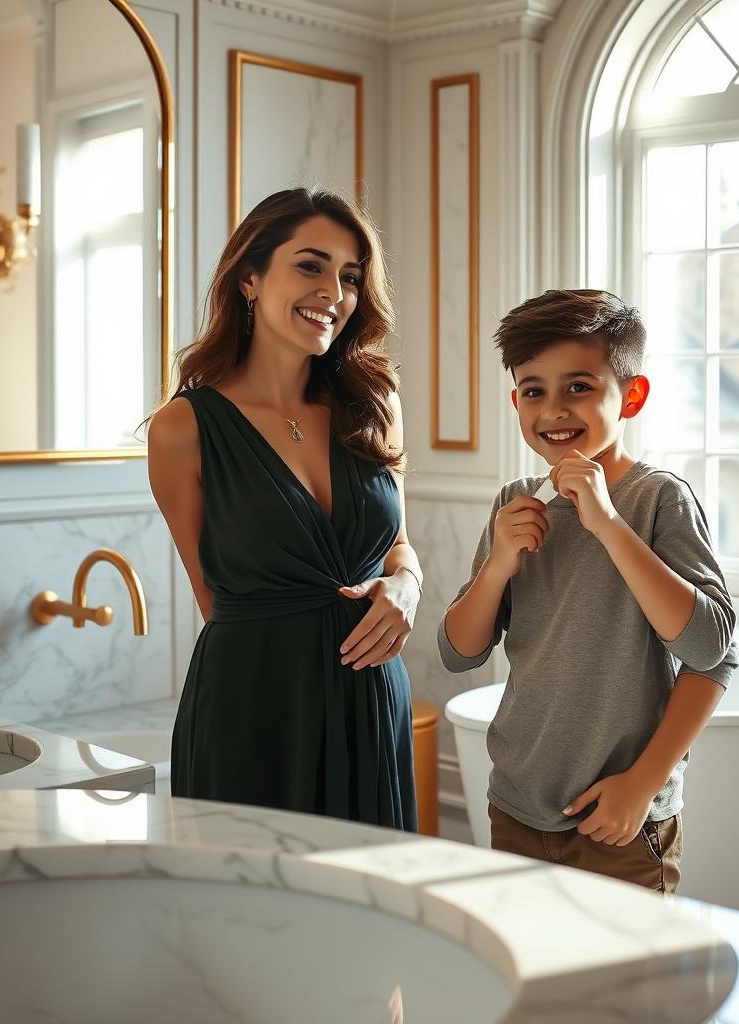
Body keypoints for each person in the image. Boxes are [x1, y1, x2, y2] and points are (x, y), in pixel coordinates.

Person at [438, 289, 738, 891]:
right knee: (527, 974)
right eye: (533, 390)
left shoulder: (658, 499)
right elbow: (458, 652)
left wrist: (642, 785)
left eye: (578, 386)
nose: (553, 410)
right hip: (517, 808)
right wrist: (497, 565)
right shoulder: (514, 504)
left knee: (623, 985)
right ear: (515, 400)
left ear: (631, 396)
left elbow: (710, 652)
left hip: (620, 822)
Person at [148, 187, 421, 830]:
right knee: (249, 918)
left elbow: (399, 543)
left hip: (373, 697)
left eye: (349, 276)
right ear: (249, 278)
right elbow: (214, 596)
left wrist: (407, 586)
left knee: (375, 912)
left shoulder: (375, 403)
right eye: (310, 265)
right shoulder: (183, 429)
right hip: (253, 707)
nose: (334, 291)